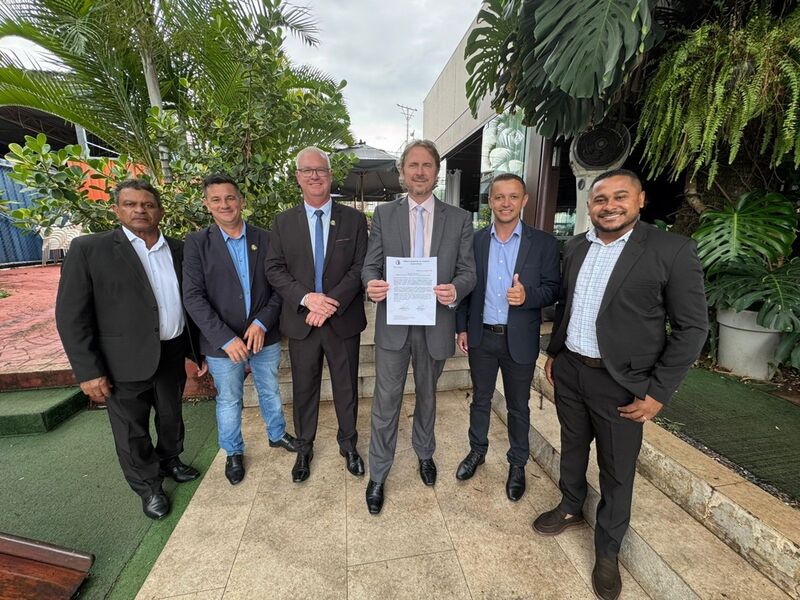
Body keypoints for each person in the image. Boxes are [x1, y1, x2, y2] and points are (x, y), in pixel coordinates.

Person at [532, 169, 708, 600]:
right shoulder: (576, 246)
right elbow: (569, 306)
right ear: (589, 205)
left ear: (640, 200)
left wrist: (657, 392)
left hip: (623, 383)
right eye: (600, 199)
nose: (609, 206)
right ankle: (571, 506)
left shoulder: (670, 250)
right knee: (573, 446)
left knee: (616, 469)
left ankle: (608, 550)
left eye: (620, 197)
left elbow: (692, 328)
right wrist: (555, 354)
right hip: (571, 370)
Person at [55, 179, 202, 520]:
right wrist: (88, 371)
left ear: (160, 211)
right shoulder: (90, 249)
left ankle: (170, 460)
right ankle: (149, 487)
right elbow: (71, 315)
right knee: (131, 429)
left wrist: (198, 352)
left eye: (148, 205)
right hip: (121, 360)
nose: (140, 210)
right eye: (131, 204)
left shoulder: (179, 249)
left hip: (171, 352)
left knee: (171, 416)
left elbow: (191, 301)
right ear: (116, 210)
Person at [362, 139, 476, 515]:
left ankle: (425, 454)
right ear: (403, 171)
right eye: (413, 165)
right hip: (394, 324)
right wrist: (371, 284)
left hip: (436, 323)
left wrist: (455, 289)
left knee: (428, 397)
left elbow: (468, 271)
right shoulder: (384, 215)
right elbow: (371, 264)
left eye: (427, 165)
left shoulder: (459, 219)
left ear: (437, 172)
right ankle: (379, 473)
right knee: (386, 401)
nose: (420, 171)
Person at [182, 174, 296, 487]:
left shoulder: (266, 238)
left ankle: (277, 434)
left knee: (269, 388)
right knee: (230, 399)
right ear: (206, 204)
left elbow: (279, 287)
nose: (225, 204)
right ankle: (233, 451)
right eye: (216, 199)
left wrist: (262, 322)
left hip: (264, 335)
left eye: (230, 197)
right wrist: (225, 338)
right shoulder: (197, 243)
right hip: (222, 343)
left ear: (241, 201)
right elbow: (193, 297)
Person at [454, 173, 560, 501]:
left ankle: (517, 463)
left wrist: (528, 296)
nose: (506, 203)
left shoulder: (543, 243)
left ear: (524, 200)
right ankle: (477, 451)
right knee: (480, 399)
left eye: (513, 196)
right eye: (499, 197)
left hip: (520, 339)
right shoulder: (474, 242)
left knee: (518, 406)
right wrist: (461, 327)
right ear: (490, 201)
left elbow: (554, 289)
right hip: (481, 337)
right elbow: (465, 287)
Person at [266, 147, 368, 483]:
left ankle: (348, 445)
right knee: (304, 389)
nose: (314, 176)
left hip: (342, 320)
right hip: (302, 322)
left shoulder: (354, 220)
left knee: (346, 387)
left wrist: (329, 302)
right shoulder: (283, 222)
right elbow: (275, 269)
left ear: (330, 175)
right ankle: (304, 447)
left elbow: (360, 267)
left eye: (320, 170)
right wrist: (308, 299)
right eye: (307, 170)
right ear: (298, 177)